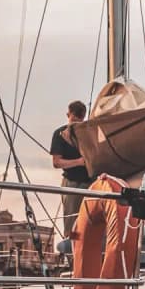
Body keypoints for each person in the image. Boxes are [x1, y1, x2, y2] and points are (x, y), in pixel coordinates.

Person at [50, 100, 92, 237]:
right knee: (73, 224)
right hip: (73, 183)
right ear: (83, 115)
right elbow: (57, 163)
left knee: (80, 224)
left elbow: (56, 162)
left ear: (68, 114)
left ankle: (72, 254)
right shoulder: (61, 134)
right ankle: (72, 254)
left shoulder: (89, 132)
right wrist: (79, 162)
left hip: (90, 184)